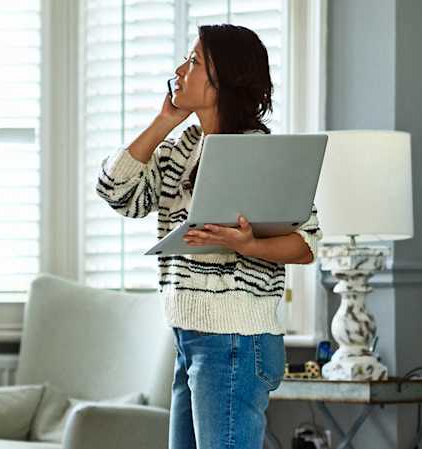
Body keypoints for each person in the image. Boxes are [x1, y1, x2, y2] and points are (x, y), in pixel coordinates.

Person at [95, 23, 318, 449]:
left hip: (232, 340)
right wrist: (163, 121)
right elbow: (116, 192)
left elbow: (307, 244)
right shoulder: (184, 147)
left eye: (195, 62)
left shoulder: (259, 153)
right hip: (190, 335)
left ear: (224, 81)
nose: (180, 69)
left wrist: (246, 245)